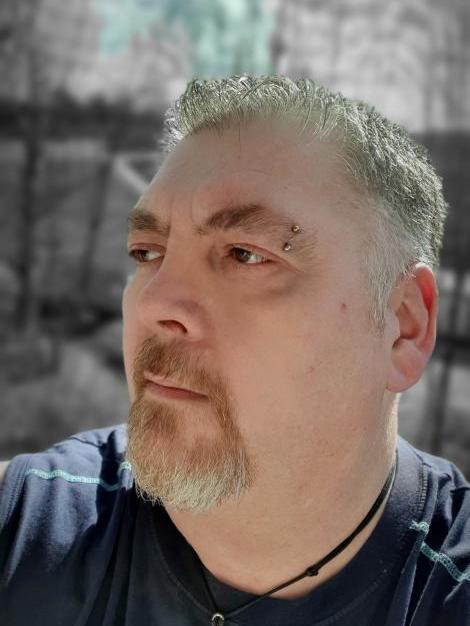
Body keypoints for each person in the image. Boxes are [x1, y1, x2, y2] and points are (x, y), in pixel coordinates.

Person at [0, 75, 469, 626]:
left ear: (403, 327)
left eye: (246, 254)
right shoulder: (31, 529)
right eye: (147, 252)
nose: (154, 303)